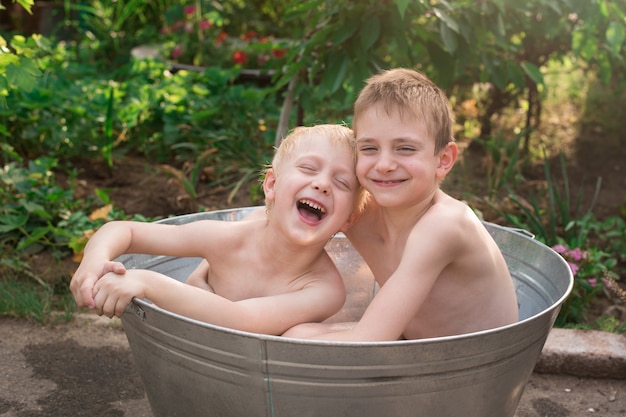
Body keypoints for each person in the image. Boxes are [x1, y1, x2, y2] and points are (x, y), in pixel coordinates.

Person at [282, 68, 519, 341]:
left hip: (474, 364)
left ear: (443, 160)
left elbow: (368, 340)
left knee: (293, 339)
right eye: (369, 148)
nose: (384, 165)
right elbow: (273, 233)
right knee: (298, 330)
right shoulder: (358, 210)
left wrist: (280, 343)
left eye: (405, 148)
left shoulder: (444, 225)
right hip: (412, 344)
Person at [69, 124, 363, 336]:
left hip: (264, 384)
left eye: (342, 183)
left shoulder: (325, 290)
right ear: (272, 185)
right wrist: (93, 263)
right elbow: (125, 231)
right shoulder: (227, 239)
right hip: (196, 366)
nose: (323, 184)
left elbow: (240, 320)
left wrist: (148, 282)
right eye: (309, 169)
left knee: (302, 334)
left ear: (348, 219)